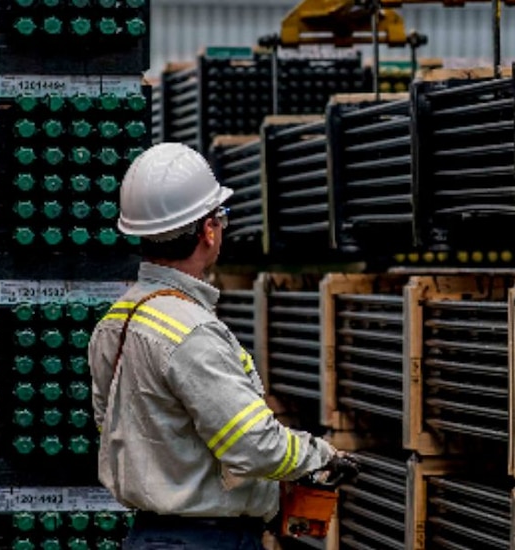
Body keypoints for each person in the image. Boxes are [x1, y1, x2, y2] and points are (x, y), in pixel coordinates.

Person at [88, 142, 343, 550]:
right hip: (207, 539)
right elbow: (252, 445)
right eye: (219, 218)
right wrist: (320, 455)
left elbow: (112, 425)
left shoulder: (116, 322)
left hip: (146, 538)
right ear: (208, 229)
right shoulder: (191, 332)